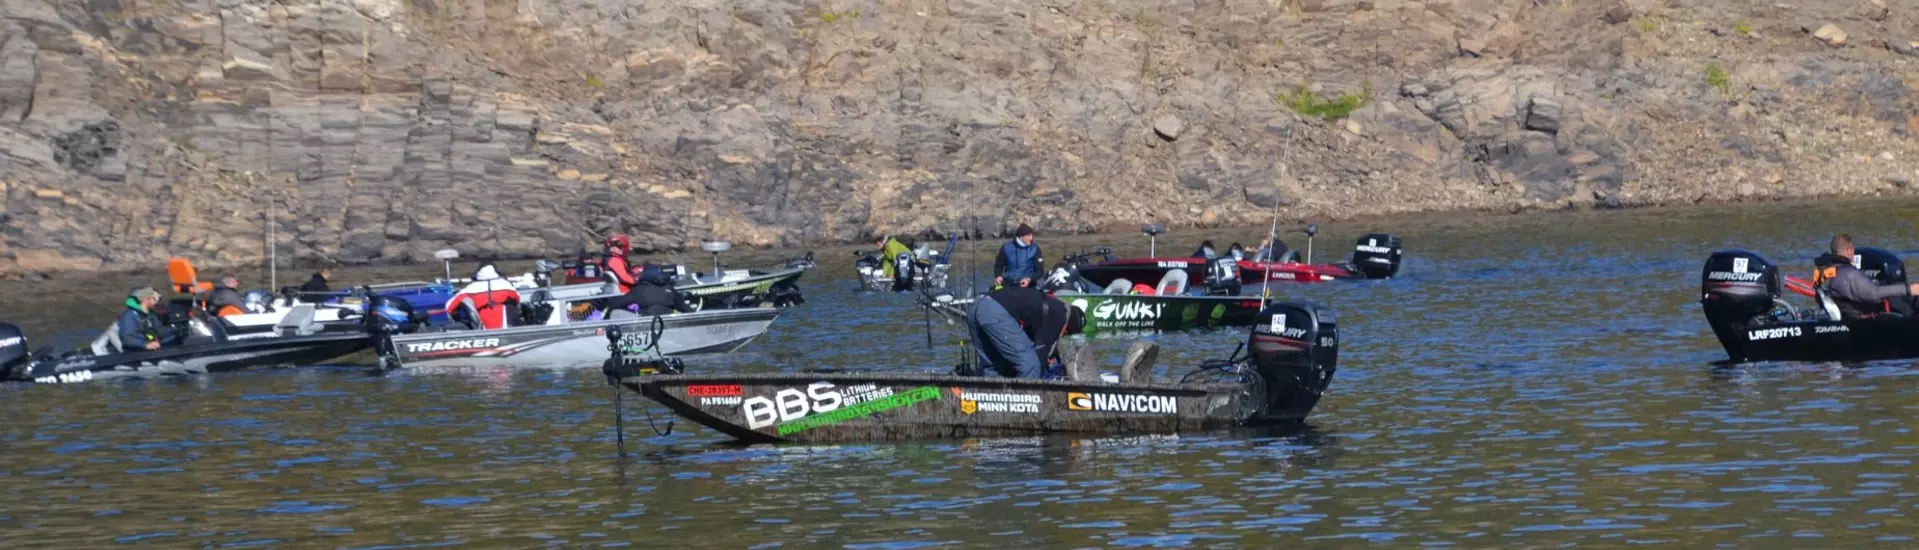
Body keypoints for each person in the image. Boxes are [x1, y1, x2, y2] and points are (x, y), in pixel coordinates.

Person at [966, 285, 1078, 378]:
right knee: (1031, 366)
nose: (1061, 336)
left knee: (994, 367)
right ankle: (1026, 401)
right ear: (1066, 326)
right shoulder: (1059, 315)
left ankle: (988, 399)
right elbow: (1039, 355)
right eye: (1066, 333)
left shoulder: (1048, 304)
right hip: (993, 312)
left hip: (976, 304)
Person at [1813, 233, 1919, 319]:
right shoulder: (1848, 274)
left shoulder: (1825, 272)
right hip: (1865, 322)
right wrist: (1908, 289)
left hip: (1850, 316)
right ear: (1850, 250)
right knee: (1907, 301)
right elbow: (1875, 293)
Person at [445, 264, 523, 330]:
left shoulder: (470, 289)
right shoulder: (507, 286)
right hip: (507, 328)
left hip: (483, 329)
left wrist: (457, 319)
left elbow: (449, 307)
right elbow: (518, 300)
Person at [605, 263, 696, 317]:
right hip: (668, 320)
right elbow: (684, 308)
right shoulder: (670, 289)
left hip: (647, 322)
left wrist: (605, 320)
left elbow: (616, 305)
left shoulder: (639, 290)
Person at [993, 224, 1043, 289]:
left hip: (1028, 286)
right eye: (1029, 235)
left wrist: (1029, 279)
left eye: (1032, 235)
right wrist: (998, 276)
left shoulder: (1035, 249)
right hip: (1008, 284)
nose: (1031, 238)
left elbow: (1040, 271)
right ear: (1021, 236)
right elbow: (998, 266)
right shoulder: (1006, 248)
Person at [117, 287, 166, 351]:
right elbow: (127, 338)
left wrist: (174, 330)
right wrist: (145, 344)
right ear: (145, 299)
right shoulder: (130, 315)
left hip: (152, 348)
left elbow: (158, 329)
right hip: (134, 353)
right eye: (154, 298)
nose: (156, 302)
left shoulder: (150, 314)